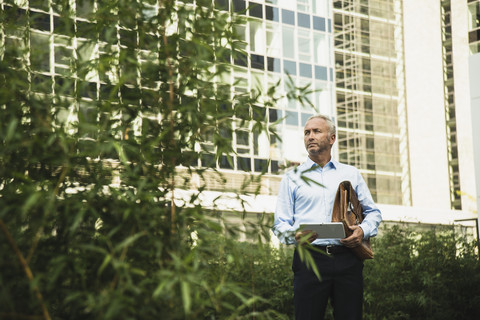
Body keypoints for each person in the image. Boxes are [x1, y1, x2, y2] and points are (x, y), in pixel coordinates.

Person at [272, 114, 382, 320]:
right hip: (309, 260)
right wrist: (294, 235)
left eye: (316, 131)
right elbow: (280, 224)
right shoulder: (291, 178)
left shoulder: (351, 173)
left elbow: (373, 213)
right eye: (307, 132)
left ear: (332, 138)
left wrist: (362, 231)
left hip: (348, 258)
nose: (310, 136)